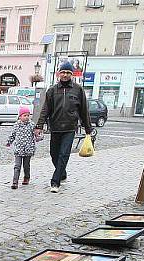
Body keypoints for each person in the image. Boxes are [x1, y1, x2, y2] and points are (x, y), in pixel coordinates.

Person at [35, 60, 92, 193]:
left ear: (72, 74)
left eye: (68, 72)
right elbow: (45, 110)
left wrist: (88, 129)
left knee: (63, 154)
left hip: (70, 128)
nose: (65, 75)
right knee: (54, 154)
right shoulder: (52, 90)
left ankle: (55, 182)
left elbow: (84, 110)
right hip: (55, 127)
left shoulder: (78, 90)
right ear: (58, 74)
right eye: (63, 72)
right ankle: (62, 173)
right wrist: (39, 125)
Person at [6, 106, 39, 189]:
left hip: (28, 149)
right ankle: (15, 182)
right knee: (17, 166)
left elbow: (36, 135)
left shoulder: (32, 125)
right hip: (18, 149)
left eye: (28, 115)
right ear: (20, 116)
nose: (27, 117)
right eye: (25, 115)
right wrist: (9, 142)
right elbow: (13, 135)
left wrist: (38, 137)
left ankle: (26, 177)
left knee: (26, 165)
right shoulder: (16, 125)